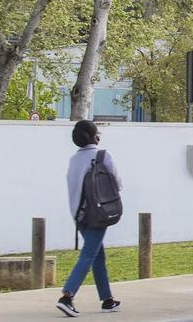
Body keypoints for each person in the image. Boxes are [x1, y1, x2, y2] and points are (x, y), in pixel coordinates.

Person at [56, 120, 121, 317]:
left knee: (97, 255)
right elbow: (117, 182)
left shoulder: (73, 160)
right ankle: (67, 297)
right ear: (95, 136)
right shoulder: (103, 156)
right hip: (98, 213)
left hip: (79, 215)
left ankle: (107, 300)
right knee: (88, 255)